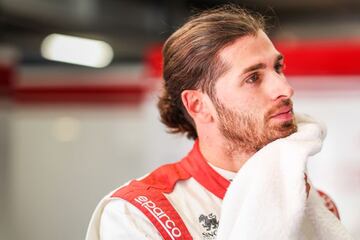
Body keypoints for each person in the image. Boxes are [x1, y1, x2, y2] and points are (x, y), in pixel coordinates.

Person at [86, 5, 341, 240]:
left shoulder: (315, 204)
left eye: (278, 68)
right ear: (198, 105)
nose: (285, 89)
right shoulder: (138, 214)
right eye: (253, 78)